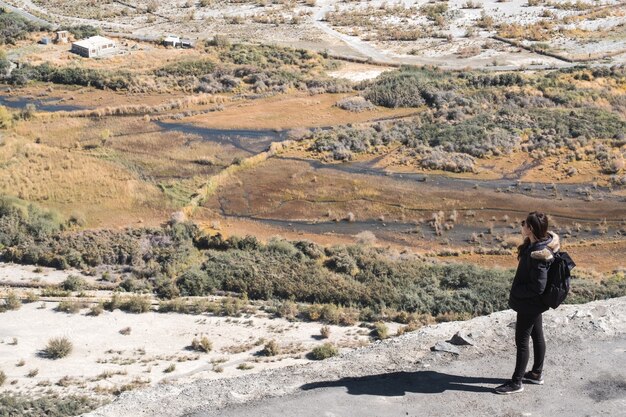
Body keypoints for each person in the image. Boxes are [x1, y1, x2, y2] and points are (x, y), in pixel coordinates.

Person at [494, 211, 560, 395]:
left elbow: (538, 286)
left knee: (522, 342)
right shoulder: (541, 244)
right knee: (537, 335)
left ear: (530, 229)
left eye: (524, 223)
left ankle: (516, 383)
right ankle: (536, 374)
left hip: (529, 304)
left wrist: (517, 292)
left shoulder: (539, 254)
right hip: (534, 304)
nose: (521, 226)